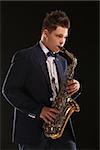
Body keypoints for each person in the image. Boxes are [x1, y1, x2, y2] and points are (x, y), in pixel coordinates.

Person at [2, 10, 80, 150]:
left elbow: (61, 93)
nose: (63, 41)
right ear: (45, 34)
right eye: (59, 36)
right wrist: (39, 110)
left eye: (65, 37)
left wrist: (75, 87)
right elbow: (9, 90)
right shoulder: (25, 57)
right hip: (32, 131)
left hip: (60, 129)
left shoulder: (63, 61)